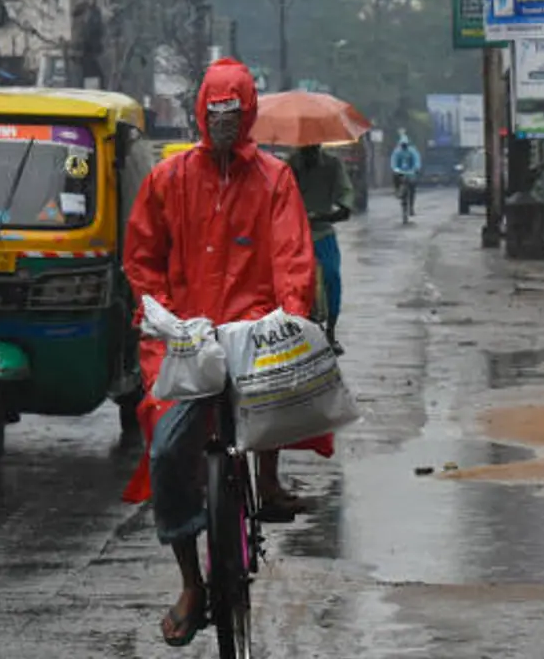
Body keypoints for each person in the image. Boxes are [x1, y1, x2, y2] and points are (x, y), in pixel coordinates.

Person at [122, 57, 336, 647]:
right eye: (213, 115)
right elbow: (142, 258)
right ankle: (191, 581)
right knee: (167, 452)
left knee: (284, 398)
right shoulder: (168, 181)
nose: (221, 125)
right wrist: (160, 312)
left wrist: (289, 316)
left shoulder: (274, 181)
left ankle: (266, 481)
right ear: (200, 114)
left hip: (252, 339)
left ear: (245, 116)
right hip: (188, 345)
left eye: (231, 115)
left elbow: (293, 256)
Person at [287, 144, 352, 355]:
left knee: (332, 277)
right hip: (293, 235)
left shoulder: (333, 165)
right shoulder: (287, 166)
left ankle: (331, 331)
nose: (309, 152)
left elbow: (345, 203)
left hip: (322, 232)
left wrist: (325, 215)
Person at [390, 134, 421, 216]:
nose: (404, 146)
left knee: (412, 188)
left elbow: (416, 160)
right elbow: (394, 161)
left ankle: (411, 207)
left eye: (405, 145)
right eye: (402, 145)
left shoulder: (412, 151)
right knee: (394, 177)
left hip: (410, 172)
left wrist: (416, 168)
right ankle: (397, 190)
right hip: (400, 172)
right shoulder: (397, 152)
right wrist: (395, 169)